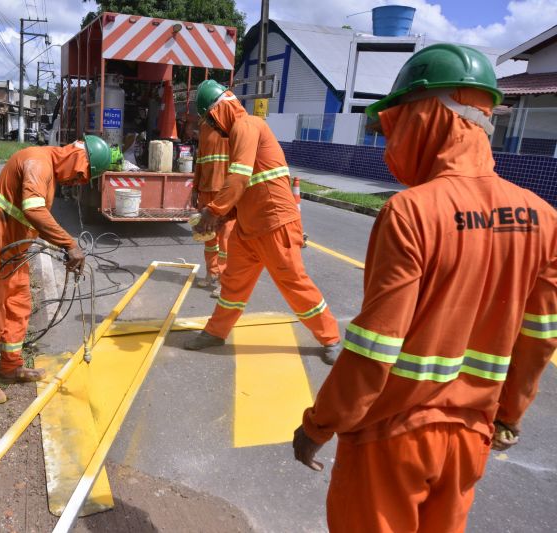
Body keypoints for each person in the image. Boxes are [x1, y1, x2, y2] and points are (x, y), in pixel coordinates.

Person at [292, 44, 556, 533]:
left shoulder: (411, 212)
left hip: (390, 441)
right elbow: (540, 339)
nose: (391, 137)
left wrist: (317, 427)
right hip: (470, 439)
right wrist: (510, 415)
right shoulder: (542, 218)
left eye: (395, 123)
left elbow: (375, 349)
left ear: (424, 115)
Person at [184, 80, 341, 364]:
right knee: (233, 284)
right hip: (249, 227)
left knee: (293, 283)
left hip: (274, 222)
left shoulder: (247, 125)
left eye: (210, 118)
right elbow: (247, 187)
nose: (212, 126)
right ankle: (215, 333)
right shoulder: (237, 134)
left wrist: (213, 212)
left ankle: (330, 338)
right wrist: (225, 217)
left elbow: (240, 177)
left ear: (220, 110)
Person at [0, 137, 111, 403]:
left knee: (19, 307)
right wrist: (69, 244)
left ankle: (10, 368)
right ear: (77, 153)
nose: (76, 182)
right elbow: (34, 210)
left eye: (82, 180)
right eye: (80, 175)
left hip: (15, 253)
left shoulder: (48, 168)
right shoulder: (37, 162)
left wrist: (62, 244)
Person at [193, 122, 235, 297]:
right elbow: (200, 160)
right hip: (206, 190)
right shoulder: (203, 127)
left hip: (225, 192)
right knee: (208, 237)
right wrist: (195, 188)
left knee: (226, 239)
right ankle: (212, 272)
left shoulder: (233, 125)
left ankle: (225, 282)